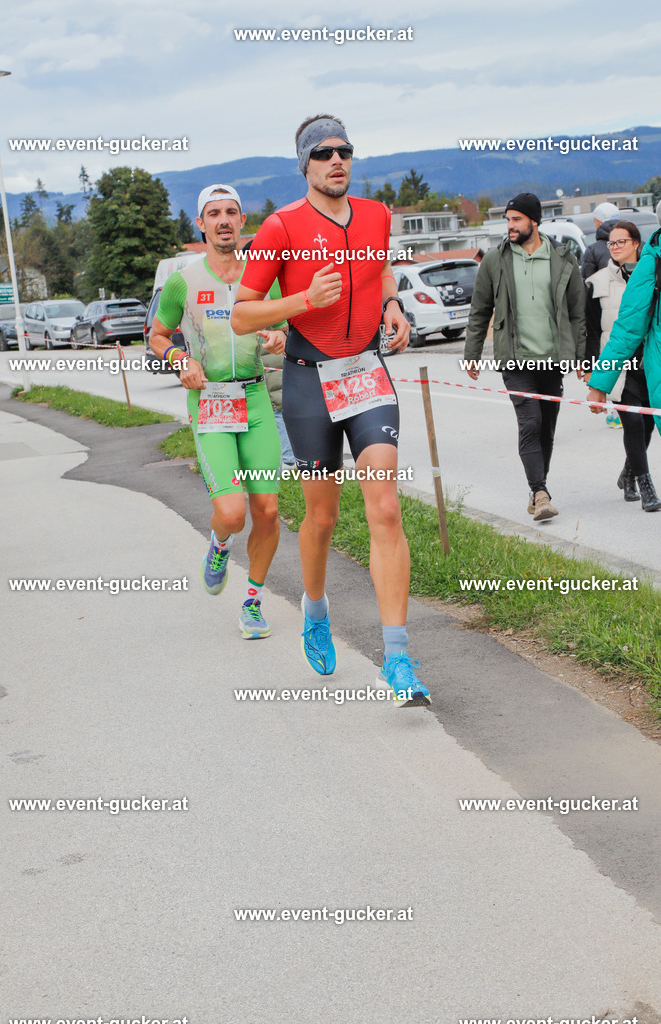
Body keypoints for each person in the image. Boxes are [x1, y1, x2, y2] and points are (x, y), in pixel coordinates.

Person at [230, 114, 429, 707]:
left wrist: (392, 302)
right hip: (308, 379)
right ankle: (315, 613)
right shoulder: (281, 226)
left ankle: (397, 657)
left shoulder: (377, 215)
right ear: (305, 164)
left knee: (386, 508)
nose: (337, 160)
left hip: (366, 373)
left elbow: (379, 267)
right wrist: (302, 301)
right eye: (323, 153)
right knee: (322, 518)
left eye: (345, 150)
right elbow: (242, 313)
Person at [149, 184, 286, 637]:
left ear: (242, 221)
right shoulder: (183, 280)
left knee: (266, 509)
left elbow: (288, 320)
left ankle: (252, 601)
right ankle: (221, 542)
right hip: (210, 401)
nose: (223, 220)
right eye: (214, 213)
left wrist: (280, 335)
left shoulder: (263, 274)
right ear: (201, 224)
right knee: (232, 513)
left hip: (256, 397)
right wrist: (179, 359)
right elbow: (157, 335)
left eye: (231, 212)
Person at [464, 192, 587, 521]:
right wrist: (472, 354)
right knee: (530, 422)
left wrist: (582, 357)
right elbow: (480, 312)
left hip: (551, 359)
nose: (510, 226)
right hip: (515, 359)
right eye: (507, 220)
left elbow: (578, 313)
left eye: (516, 219)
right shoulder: (495, 260)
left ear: (534, 221)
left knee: (546, 428)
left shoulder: (563, 258)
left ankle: (536, 489)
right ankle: (541, 492)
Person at [587, 222, 661, 512]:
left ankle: (628, 474)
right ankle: (645, 485)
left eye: (621, 242)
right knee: (633, 425)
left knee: (645, 428)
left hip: (649, 367)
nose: (615, 247)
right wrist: (597, 379)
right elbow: (612, 330)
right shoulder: (599, 281)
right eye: (611, 243)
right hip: (624, 367)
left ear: (635, 243)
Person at [580, 202, 621, 281]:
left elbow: (587, 282)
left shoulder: (593, 250)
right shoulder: (635, 243)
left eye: (595, 222)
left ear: (600, 223)